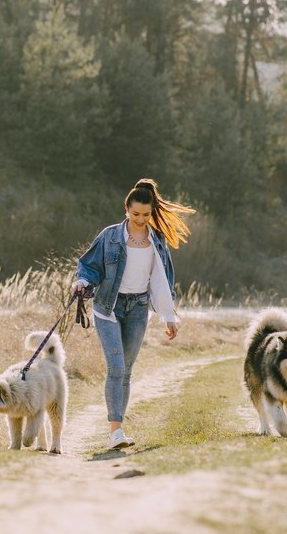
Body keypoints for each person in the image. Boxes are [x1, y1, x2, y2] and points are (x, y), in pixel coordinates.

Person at [72, 178, 195, 450]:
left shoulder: (157, 241)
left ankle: (119, 429)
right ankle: (116, 431)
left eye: (146, 214)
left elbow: (163, 279)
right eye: (136, 213)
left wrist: (169, 315)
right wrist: (83, 282)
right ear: (126, 209)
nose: (141, 219)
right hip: (108, 308)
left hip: (138, 309)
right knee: (116, 367)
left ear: (152, 213)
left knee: (126, 371)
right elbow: (89, 266)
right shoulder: (110, 236)